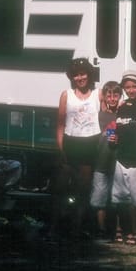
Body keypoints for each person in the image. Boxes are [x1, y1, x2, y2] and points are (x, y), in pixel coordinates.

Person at [53, 57, 102, 238]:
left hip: (90, 144)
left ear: (89, 75)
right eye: (76, 75)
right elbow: (60, 124)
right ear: (72, 77)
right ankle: (55, 227)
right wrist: (61, 148)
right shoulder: (66, 95)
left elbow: (109, 113)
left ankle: (77, 228)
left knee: (83, 189)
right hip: (70, 143)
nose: (80, 78)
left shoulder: (99, 94)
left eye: (83, 74)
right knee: (61, 188)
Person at [111, 69, 136, 245]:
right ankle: (121, 230)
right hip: (121, 157)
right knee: (120, 198)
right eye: (127, 87)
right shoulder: (120, 106)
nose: (131, 90)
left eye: (135, 86)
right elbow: (113, 125)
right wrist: (112, 137)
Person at [89, 80, 122, 241]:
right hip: (100, 163)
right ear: (104, 97)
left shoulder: (123, 114)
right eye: (109, 95)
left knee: (117, 199)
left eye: (116, 95)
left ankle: (118, 231)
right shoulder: (99, 115)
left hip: (117, 163)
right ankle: (101, 229)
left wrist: (119, 139)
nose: (112, 98)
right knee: (100, 200)